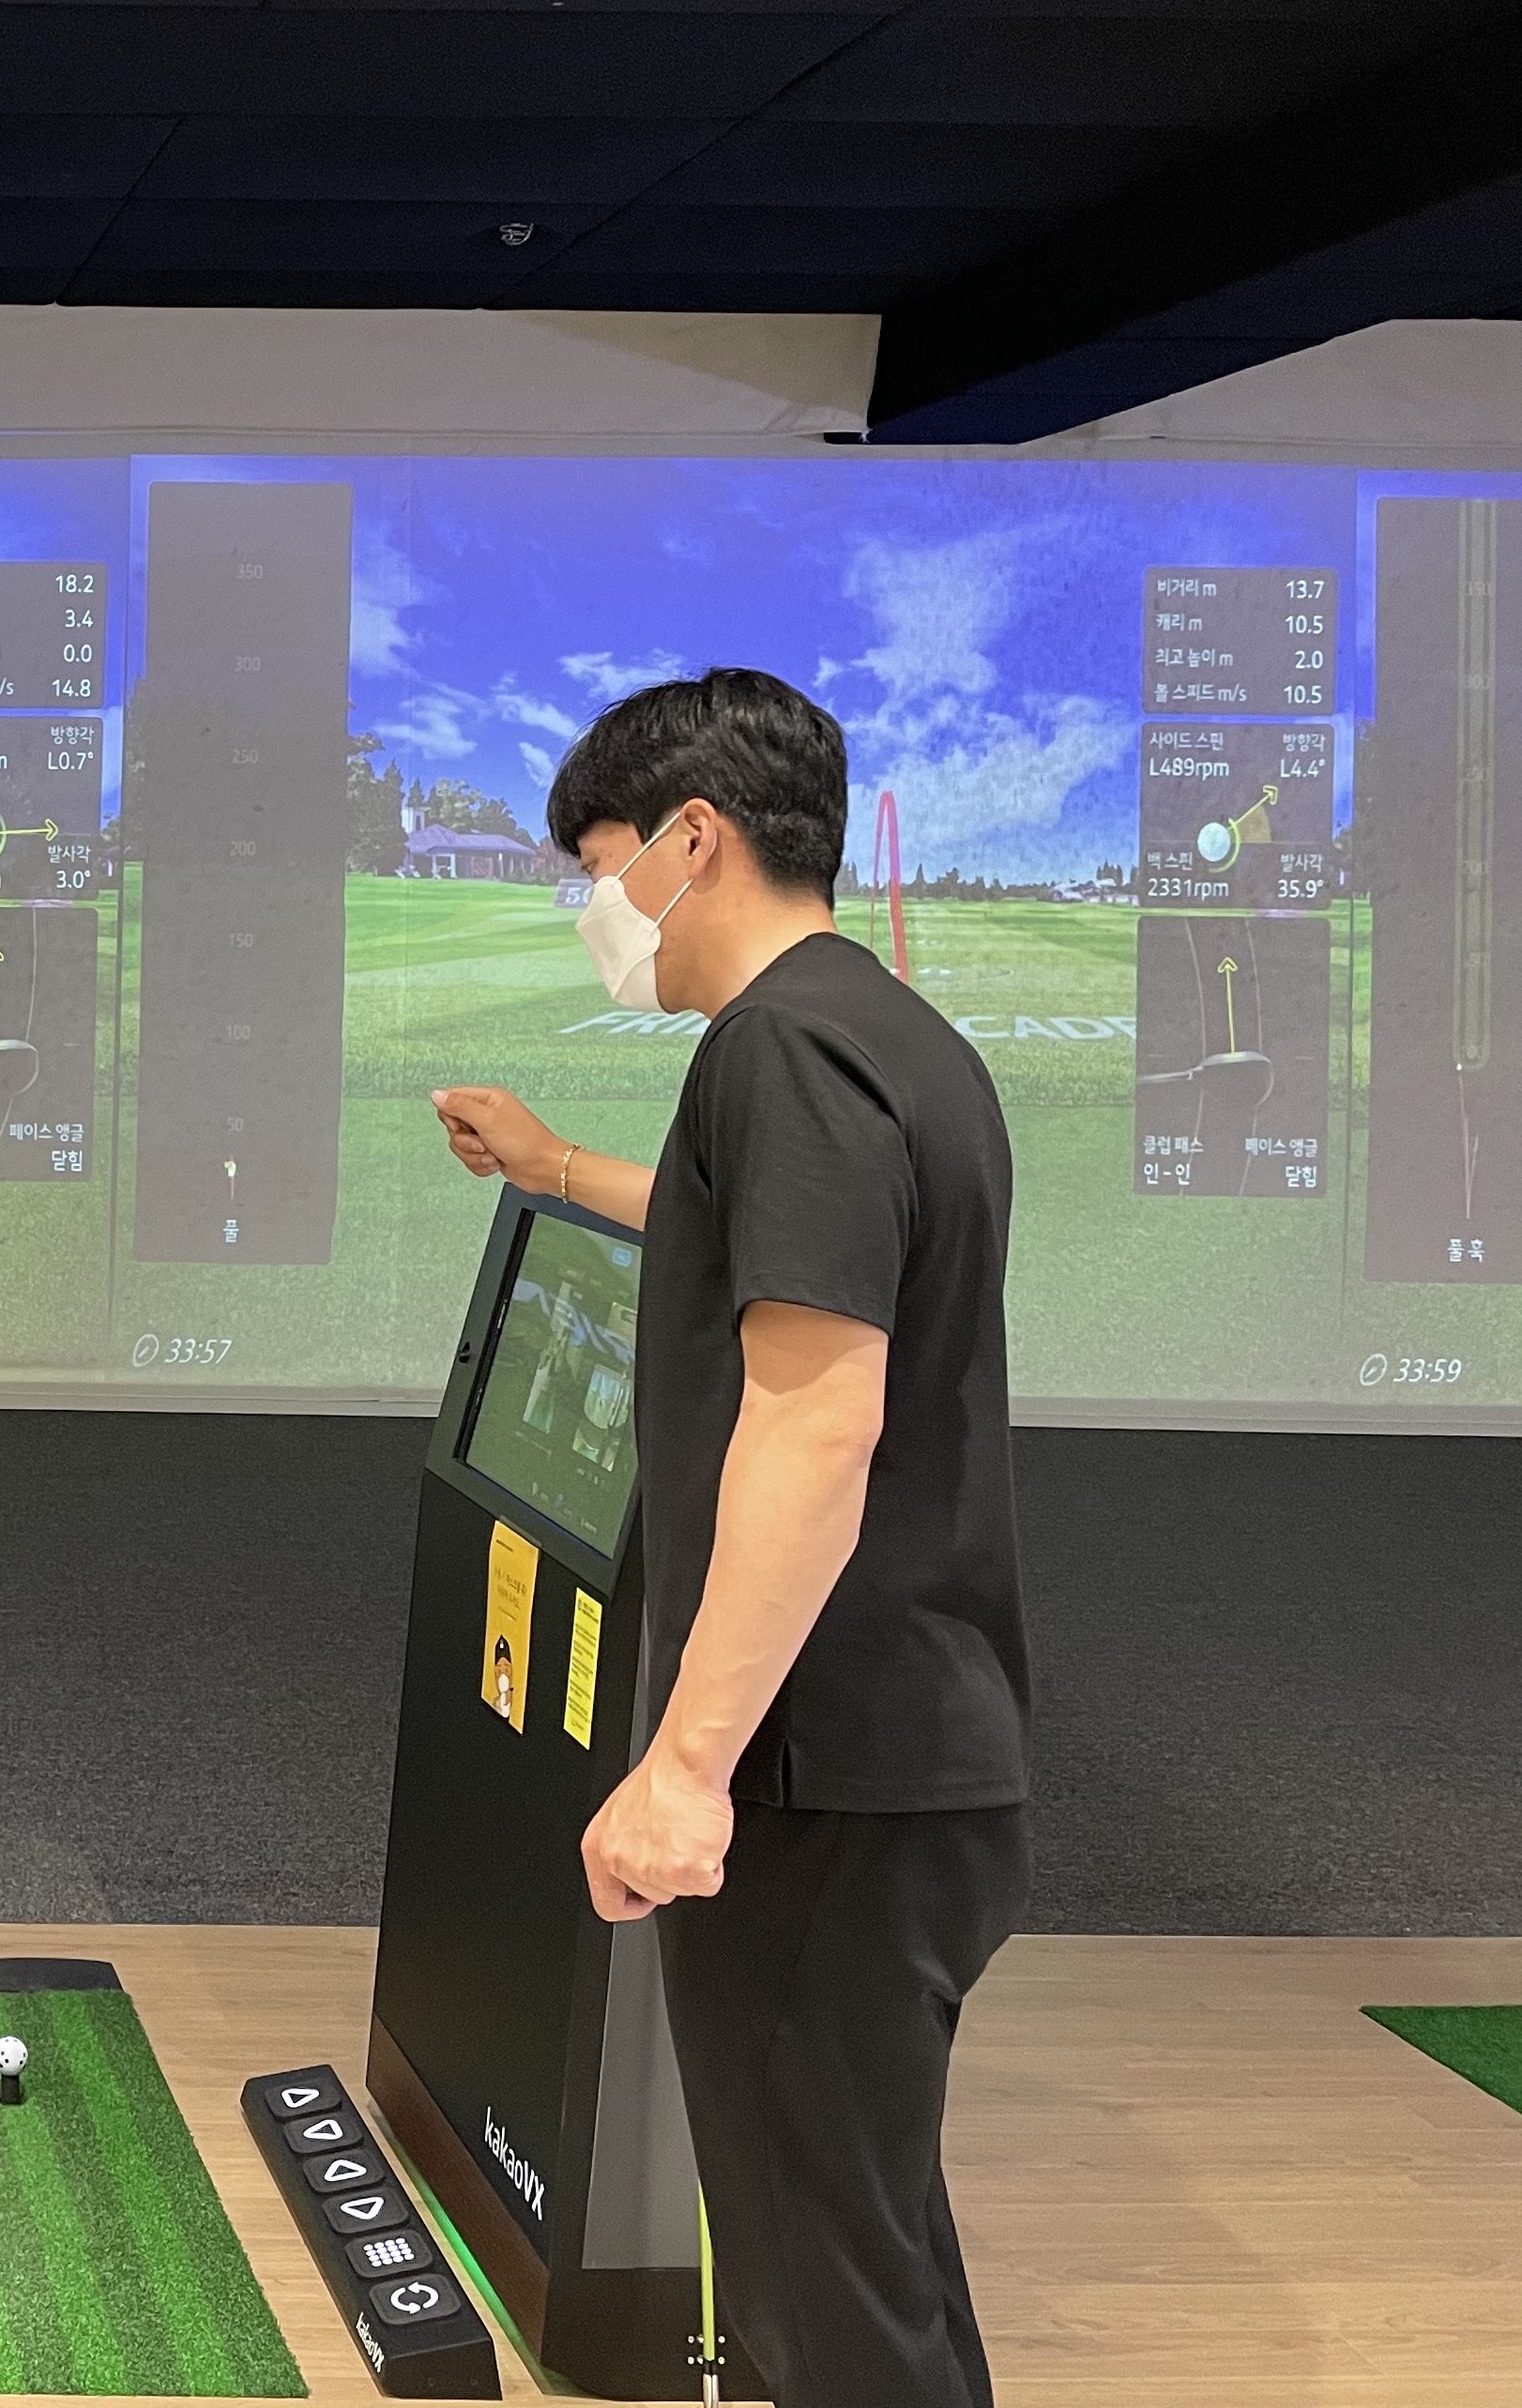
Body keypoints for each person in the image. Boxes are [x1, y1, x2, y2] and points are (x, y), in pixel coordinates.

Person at [427, 668, 1030, 2408]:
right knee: (861, 2259)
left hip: (824, 1777)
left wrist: (686, 1768)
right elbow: (742, 1234)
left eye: (601, 863)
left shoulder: (787, 1050)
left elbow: (818, 1418)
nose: (598, 909)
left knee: (826, 2301)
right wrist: (554, 1164)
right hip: (894, 1762)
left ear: (694, 839)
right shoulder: (870, 1036)